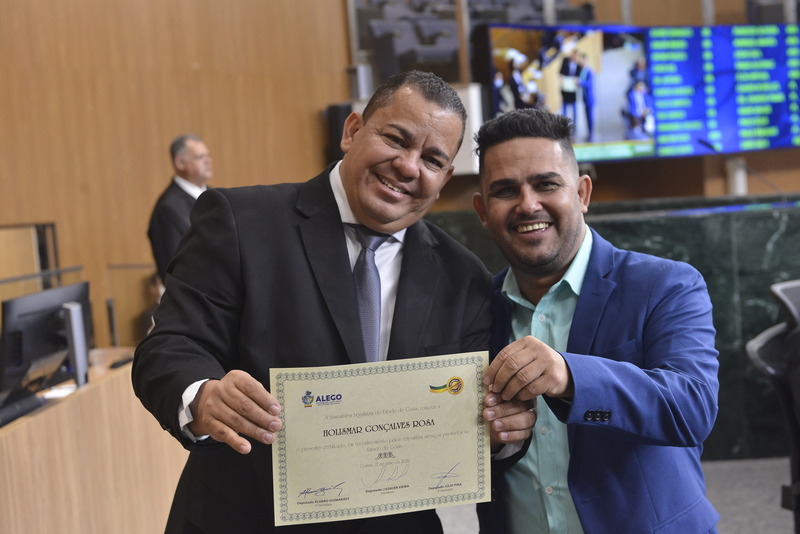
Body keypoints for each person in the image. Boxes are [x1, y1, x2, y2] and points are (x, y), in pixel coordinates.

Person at [132, 71, 535, 534]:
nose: (408, 166)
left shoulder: (464, 277)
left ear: (444, 179)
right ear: (352, 131)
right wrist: (202, 394)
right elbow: (170, 346)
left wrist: (501, 433)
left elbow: (477, 421)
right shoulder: (241, 222)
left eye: (432, 159)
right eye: (396, 139)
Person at [471, 108, 720, 533]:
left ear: (582, 193)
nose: (528, 204)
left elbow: (692, 409)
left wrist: (571, 377)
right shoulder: (474, 306)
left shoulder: (665, 285)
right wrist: (490, 445)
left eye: (546, 184)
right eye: (506, 190)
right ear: (482, 209)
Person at [147, 134, 213, 281]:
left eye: (208, 155)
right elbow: (175, 269)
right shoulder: (168, 208)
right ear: (180, 163)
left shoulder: (216, 197)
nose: (208, 161)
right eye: (200, 157)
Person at [558, 50, 581, 122]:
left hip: (572, 90)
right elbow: (560, 72)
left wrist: (577, 80)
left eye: (575, 56)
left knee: (574, 107)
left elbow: (578, 77)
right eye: (573, 55)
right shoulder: (565, 61)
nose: (574, 57)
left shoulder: (578, 66)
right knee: (564, 106)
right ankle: (564, 122)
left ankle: (575, 123)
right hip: (565, 89)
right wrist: (562, 77)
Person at [577, 53, 595, 141]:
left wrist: (580, 82)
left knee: (590, 117)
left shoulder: (589, 71)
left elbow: (589, 84)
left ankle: (591, 134)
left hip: (589, 97)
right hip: (584, 97)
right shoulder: (582, 70)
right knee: (587, 116)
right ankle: (589, 133)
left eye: (584, 60)